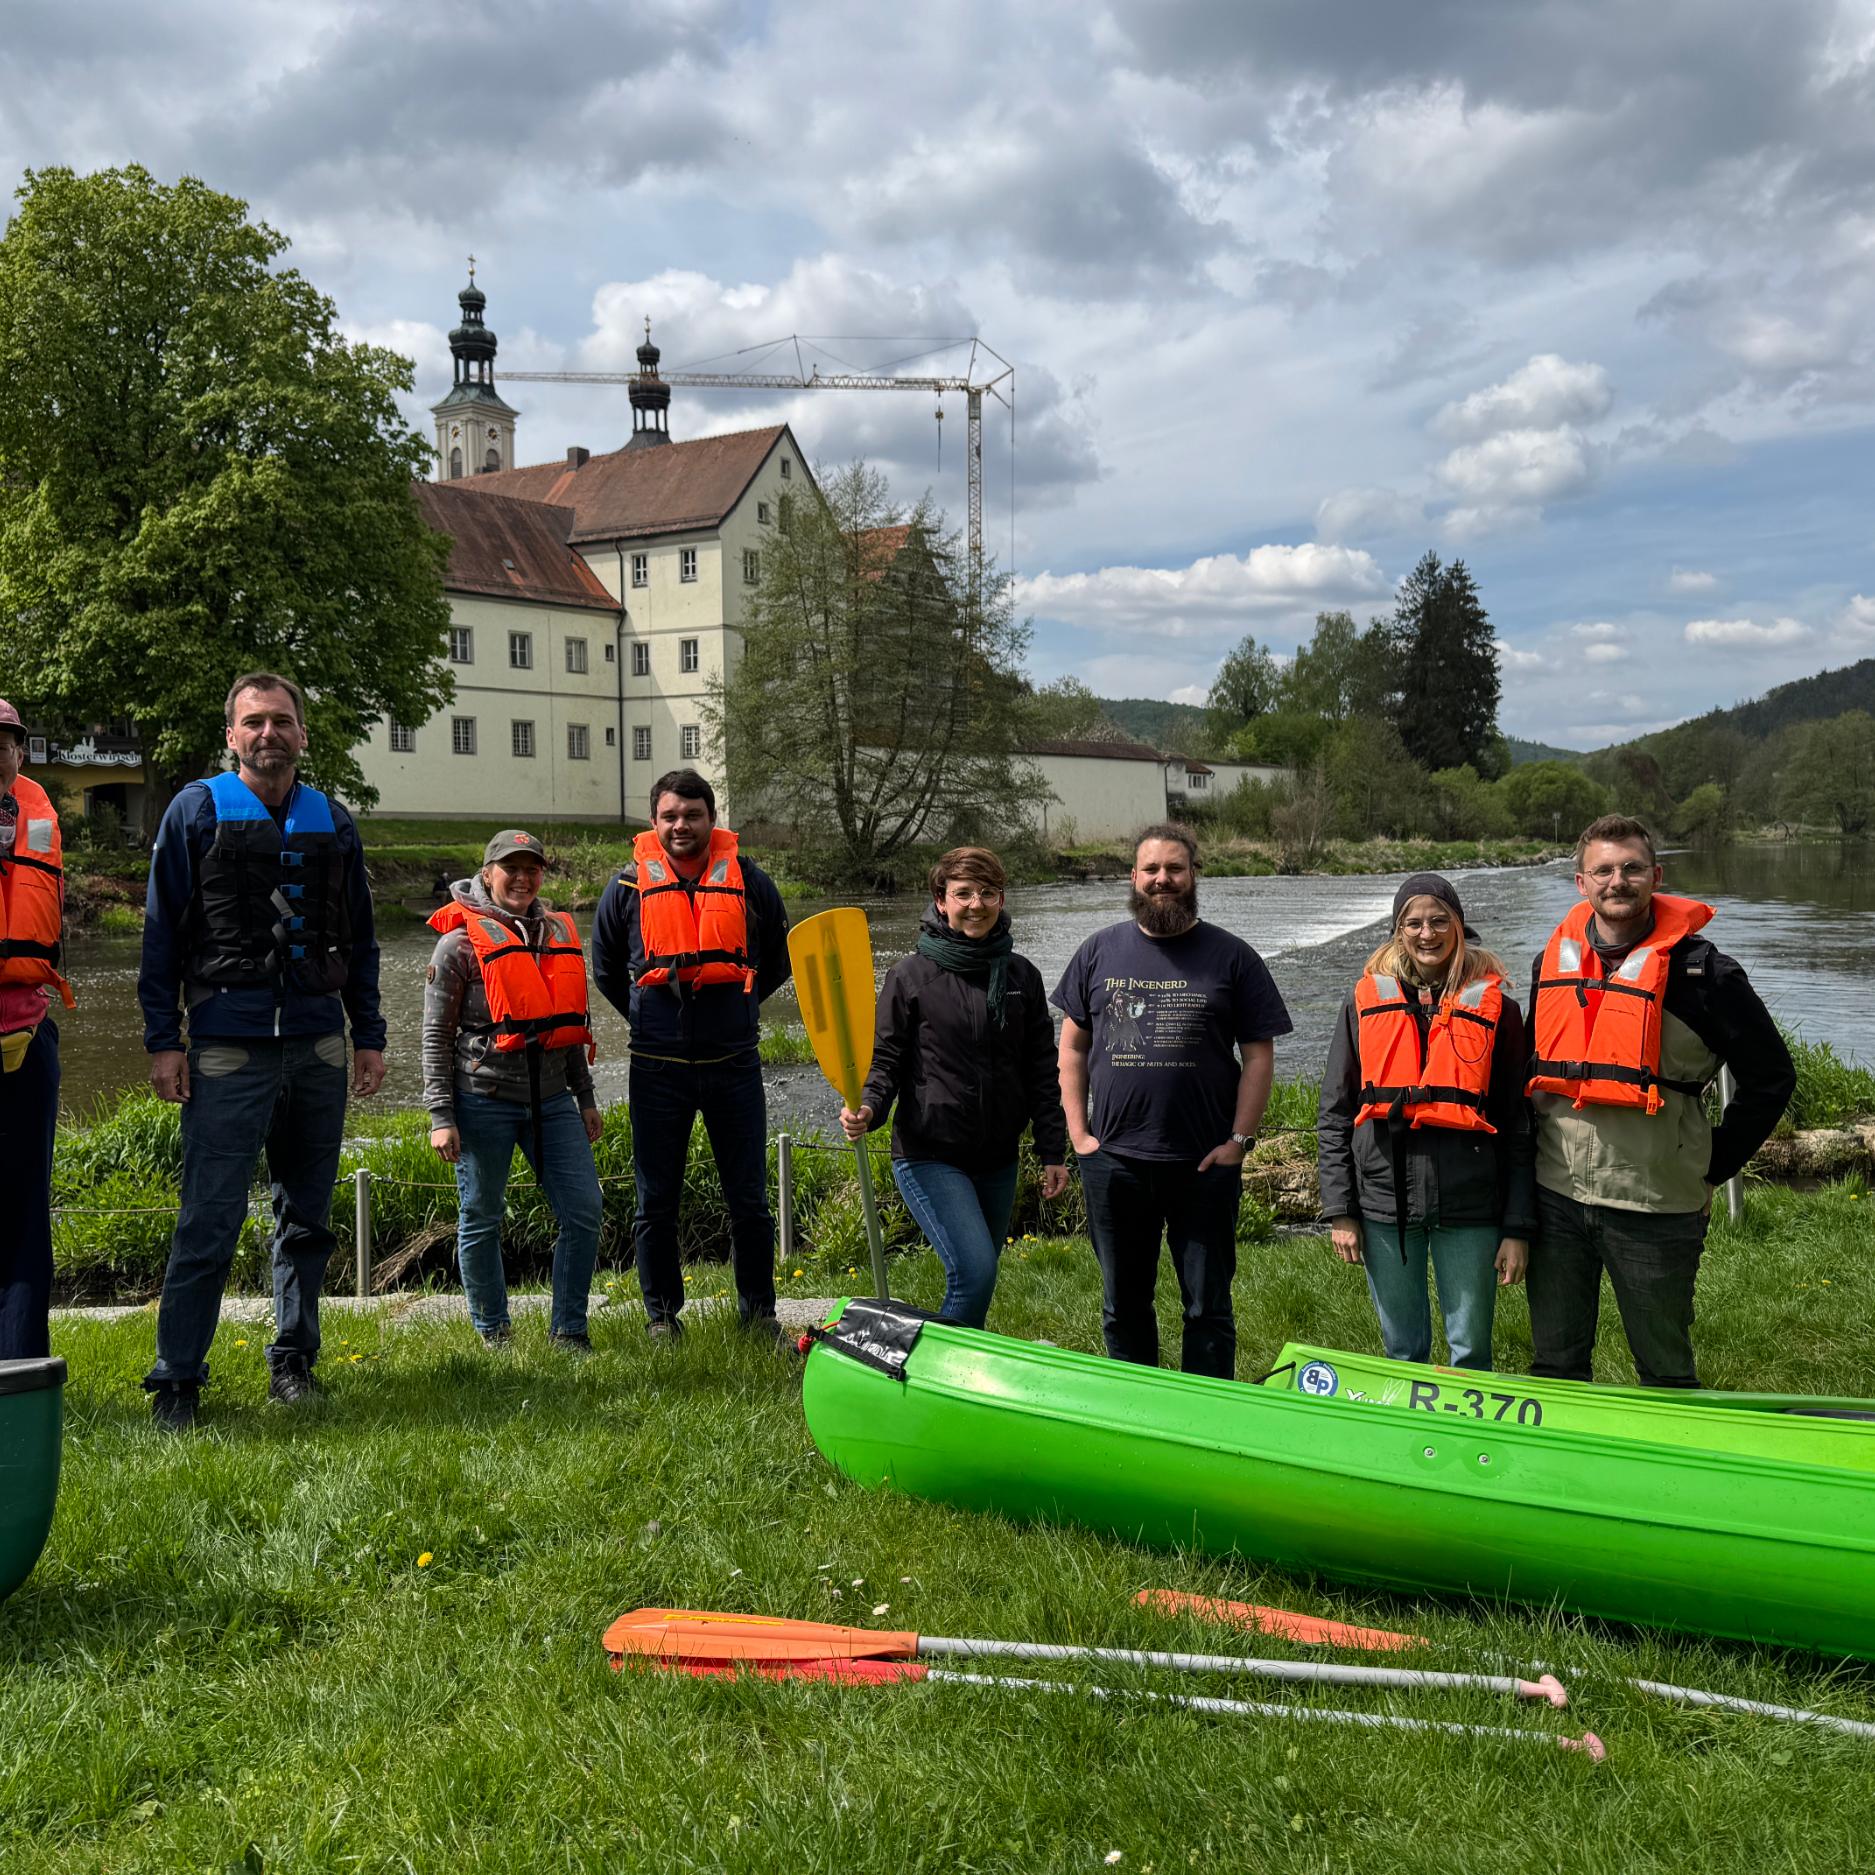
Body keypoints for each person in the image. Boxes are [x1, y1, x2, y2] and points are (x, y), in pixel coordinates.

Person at [139, 673, 385, 1428]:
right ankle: (178, 1379)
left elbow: (363, 937)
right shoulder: (195, 810)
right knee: (207, 1218)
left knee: (306, 1217)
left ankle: (294, 1361)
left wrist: (367, 1033)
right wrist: (162, 1041)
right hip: (224, 1047)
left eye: (282, 721)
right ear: (232, 736)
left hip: (316, 1044)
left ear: (302, 735)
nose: (269, 733)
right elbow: (161, 935)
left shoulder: (334, 821)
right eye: (254, 722)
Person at [1525, 815, 1794, 1388]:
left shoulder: (1706, 976)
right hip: (1556, 1196)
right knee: (1554, 1366)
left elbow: (1771, 1078)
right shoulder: (1549, 965)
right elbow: (1533, 1073)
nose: (1617, 880)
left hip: (1657, 1203)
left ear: (1656, 875)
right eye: (1603, 870)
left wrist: (1712, 1167)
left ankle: (1674, 1469)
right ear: (1581, 883)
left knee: (1664, 1368)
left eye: (1632, 868)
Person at [1053, 823, 1292, 1378]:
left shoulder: (1233, 957)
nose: (1163, 879)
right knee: (1123, 1303)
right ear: (1134, 877)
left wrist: (1239, 1140)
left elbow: (1259, 1056)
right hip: (1113, 1162)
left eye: (1175, 869)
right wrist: (1080, 1136)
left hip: (1204, 1163)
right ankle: (1137, 1411)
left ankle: (1206, 1415)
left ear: (1193, 876)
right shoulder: (1097, 952)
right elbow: (1071, 1048)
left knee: (1208, 1306)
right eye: (1152, 870)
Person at [591, 769, 791, 1342]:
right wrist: (649, 1020)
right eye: (670, 816)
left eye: (693, 814)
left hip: (734, 1064)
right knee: (655, 1201)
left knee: (749, 1200)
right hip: (657, 1069)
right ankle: (661, 1317)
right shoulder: (625, 888)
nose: (682, 825)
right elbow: (606, 970)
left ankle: (758, 1314)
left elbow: (778, 958)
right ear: (654, 823)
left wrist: (741, 1012)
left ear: (712, 818)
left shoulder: (751, 883)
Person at [838, 846, 1069, 1329]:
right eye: (963, 893)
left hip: (998, 1157)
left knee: (978, 1278)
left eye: (987, 893)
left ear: (1001, 899)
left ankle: (959, 1381)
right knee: (975, 1271)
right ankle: (924, 1368)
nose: (976, 904)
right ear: (940, 901)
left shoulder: (1021, 976)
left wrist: (1052, 1149)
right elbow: (886, 1063)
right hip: (929, 1154)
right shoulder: (910, 977)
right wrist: (869, 1111)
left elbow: (1042, 1070)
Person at [1317, 874, 1534, 1370]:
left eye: (1439, 921)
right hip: (1382, 1205)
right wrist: (1340, 1210)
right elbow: (1334, 1115)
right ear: (1398, 932)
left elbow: (1520, 1126)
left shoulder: (1501, 1011)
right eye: (1412, 923)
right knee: (1402, 1353)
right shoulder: (1361, 1005)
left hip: (1472, 1208)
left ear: (1459, 927)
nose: (1426, 933)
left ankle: (1469, 1445)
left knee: (1471, 1350)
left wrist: (1517, 1226)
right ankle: (1412, 1442)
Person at [425, 829, 605, 1350]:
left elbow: (568, 1024)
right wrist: (442, 1115)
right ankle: (493, 1332)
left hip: (552, 1099)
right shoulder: (458, 944)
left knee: (584, 1208)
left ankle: (568, 1331)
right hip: (482, 1099)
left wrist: (585, 1097)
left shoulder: (555, 934)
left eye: (533, 869)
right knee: (481, 1215)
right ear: (487, 875)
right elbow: (435, 1036)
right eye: (512, 868)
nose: (523, 879)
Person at [0, 700, 75, 1361]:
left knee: (25, 1217)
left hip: (25, 1041)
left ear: (21, 753)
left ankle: (20, 1369)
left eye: (7, 741)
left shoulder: (35, 818)